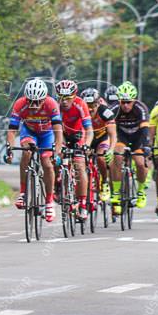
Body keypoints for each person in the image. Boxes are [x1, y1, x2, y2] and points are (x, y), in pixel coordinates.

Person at [4, 79, 64, 223]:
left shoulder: (51, 104)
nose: (34, 106)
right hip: (29, 132)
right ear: (26, 98)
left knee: (47, 163)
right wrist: (9, 149)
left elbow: (58, 131)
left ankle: (49, 201)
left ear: (44, 98)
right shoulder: (20, 104)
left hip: (47, 134)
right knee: (26, 151)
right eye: (31, 101)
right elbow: (12, 130)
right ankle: (23, 193)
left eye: (38, 102)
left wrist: (57, 150)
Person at [55, 79, 93, 220]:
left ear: (74, 96)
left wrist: (87, 145)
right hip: (61, 135)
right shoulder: (55, 105)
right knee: (52, 159)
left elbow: (89, 130)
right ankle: (57, 186)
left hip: (78, 136)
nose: (64, 101)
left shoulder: (80, 104)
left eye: (68, 98)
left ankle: (82, 204)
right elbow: (52, 129)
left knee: (79, 166)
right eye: (61, 98)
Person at [110, 81, 150, 212]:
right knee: (117, 156)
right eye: (123, 102)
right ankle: (116, 192)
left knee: (140, 163)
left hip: (137, 138)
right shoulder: (114, 109)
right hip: (122, 138)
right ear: (119, 100)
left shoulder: (141, 108)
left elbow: (145, 130)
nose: (126, 105)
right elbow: (108, 129)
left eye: (129, 102)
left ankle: (140, 192)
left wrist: (146, 145)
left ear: (134, 100)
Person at [81, 88, 117, 203]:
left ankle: (104, 182)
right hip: (87, 139)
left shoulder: (105, 112)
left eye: (93, 105)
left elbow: (112, 134)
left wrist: (111, 149)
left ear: (98, 103)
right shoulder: (80, 112)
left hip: (102, 138)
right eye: (87, 105)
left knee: (101, 158)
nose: (90, 108)